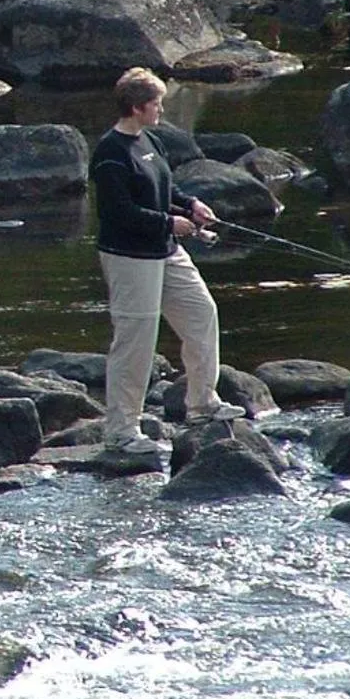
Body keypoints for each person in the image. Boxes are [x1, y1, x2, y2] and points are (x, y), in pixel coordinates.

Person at [91, 66, 244, 443]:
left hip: (167, 251)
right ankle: (122, 431)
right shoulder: (110, 153)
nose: (161, 109)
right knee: (137, 341)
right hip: (129, 257)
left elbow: (166, 188)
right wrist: (168, 223)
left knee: (202, 313)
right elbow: (118, 213)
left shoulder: (150, 141)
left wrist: (191, 205)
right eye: (157, 103)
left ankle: (203, 403)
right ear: (138, 107)